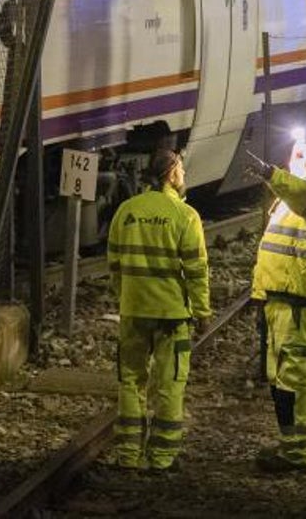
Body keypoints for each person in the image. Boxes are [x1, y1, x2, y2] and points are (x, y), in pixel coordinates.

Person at [107, 148, 212, 472]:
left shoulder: (126, 211)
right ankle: (162, 457)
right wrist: (202, 312)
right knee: (169, 385)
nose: (184, 176)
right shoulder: (185, 216)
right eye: (181, 169)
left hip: (134, 311)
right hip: (171, 316)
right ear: (171, 173)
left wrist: (127, 298)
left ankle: (127, 454)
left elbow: (114, 264)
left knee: (130, 381)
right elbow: (196, 271)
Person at [247, 135, 306, 473]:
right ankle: (291, 446)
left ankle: (298, 453)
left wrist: (272, 175)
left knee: (296, 379)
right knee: (281, 379)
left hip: (300, 303)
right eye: (293, 151)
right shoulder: (291, 197)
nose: (295, 156)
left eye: (304, 152)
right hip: (281, 300)